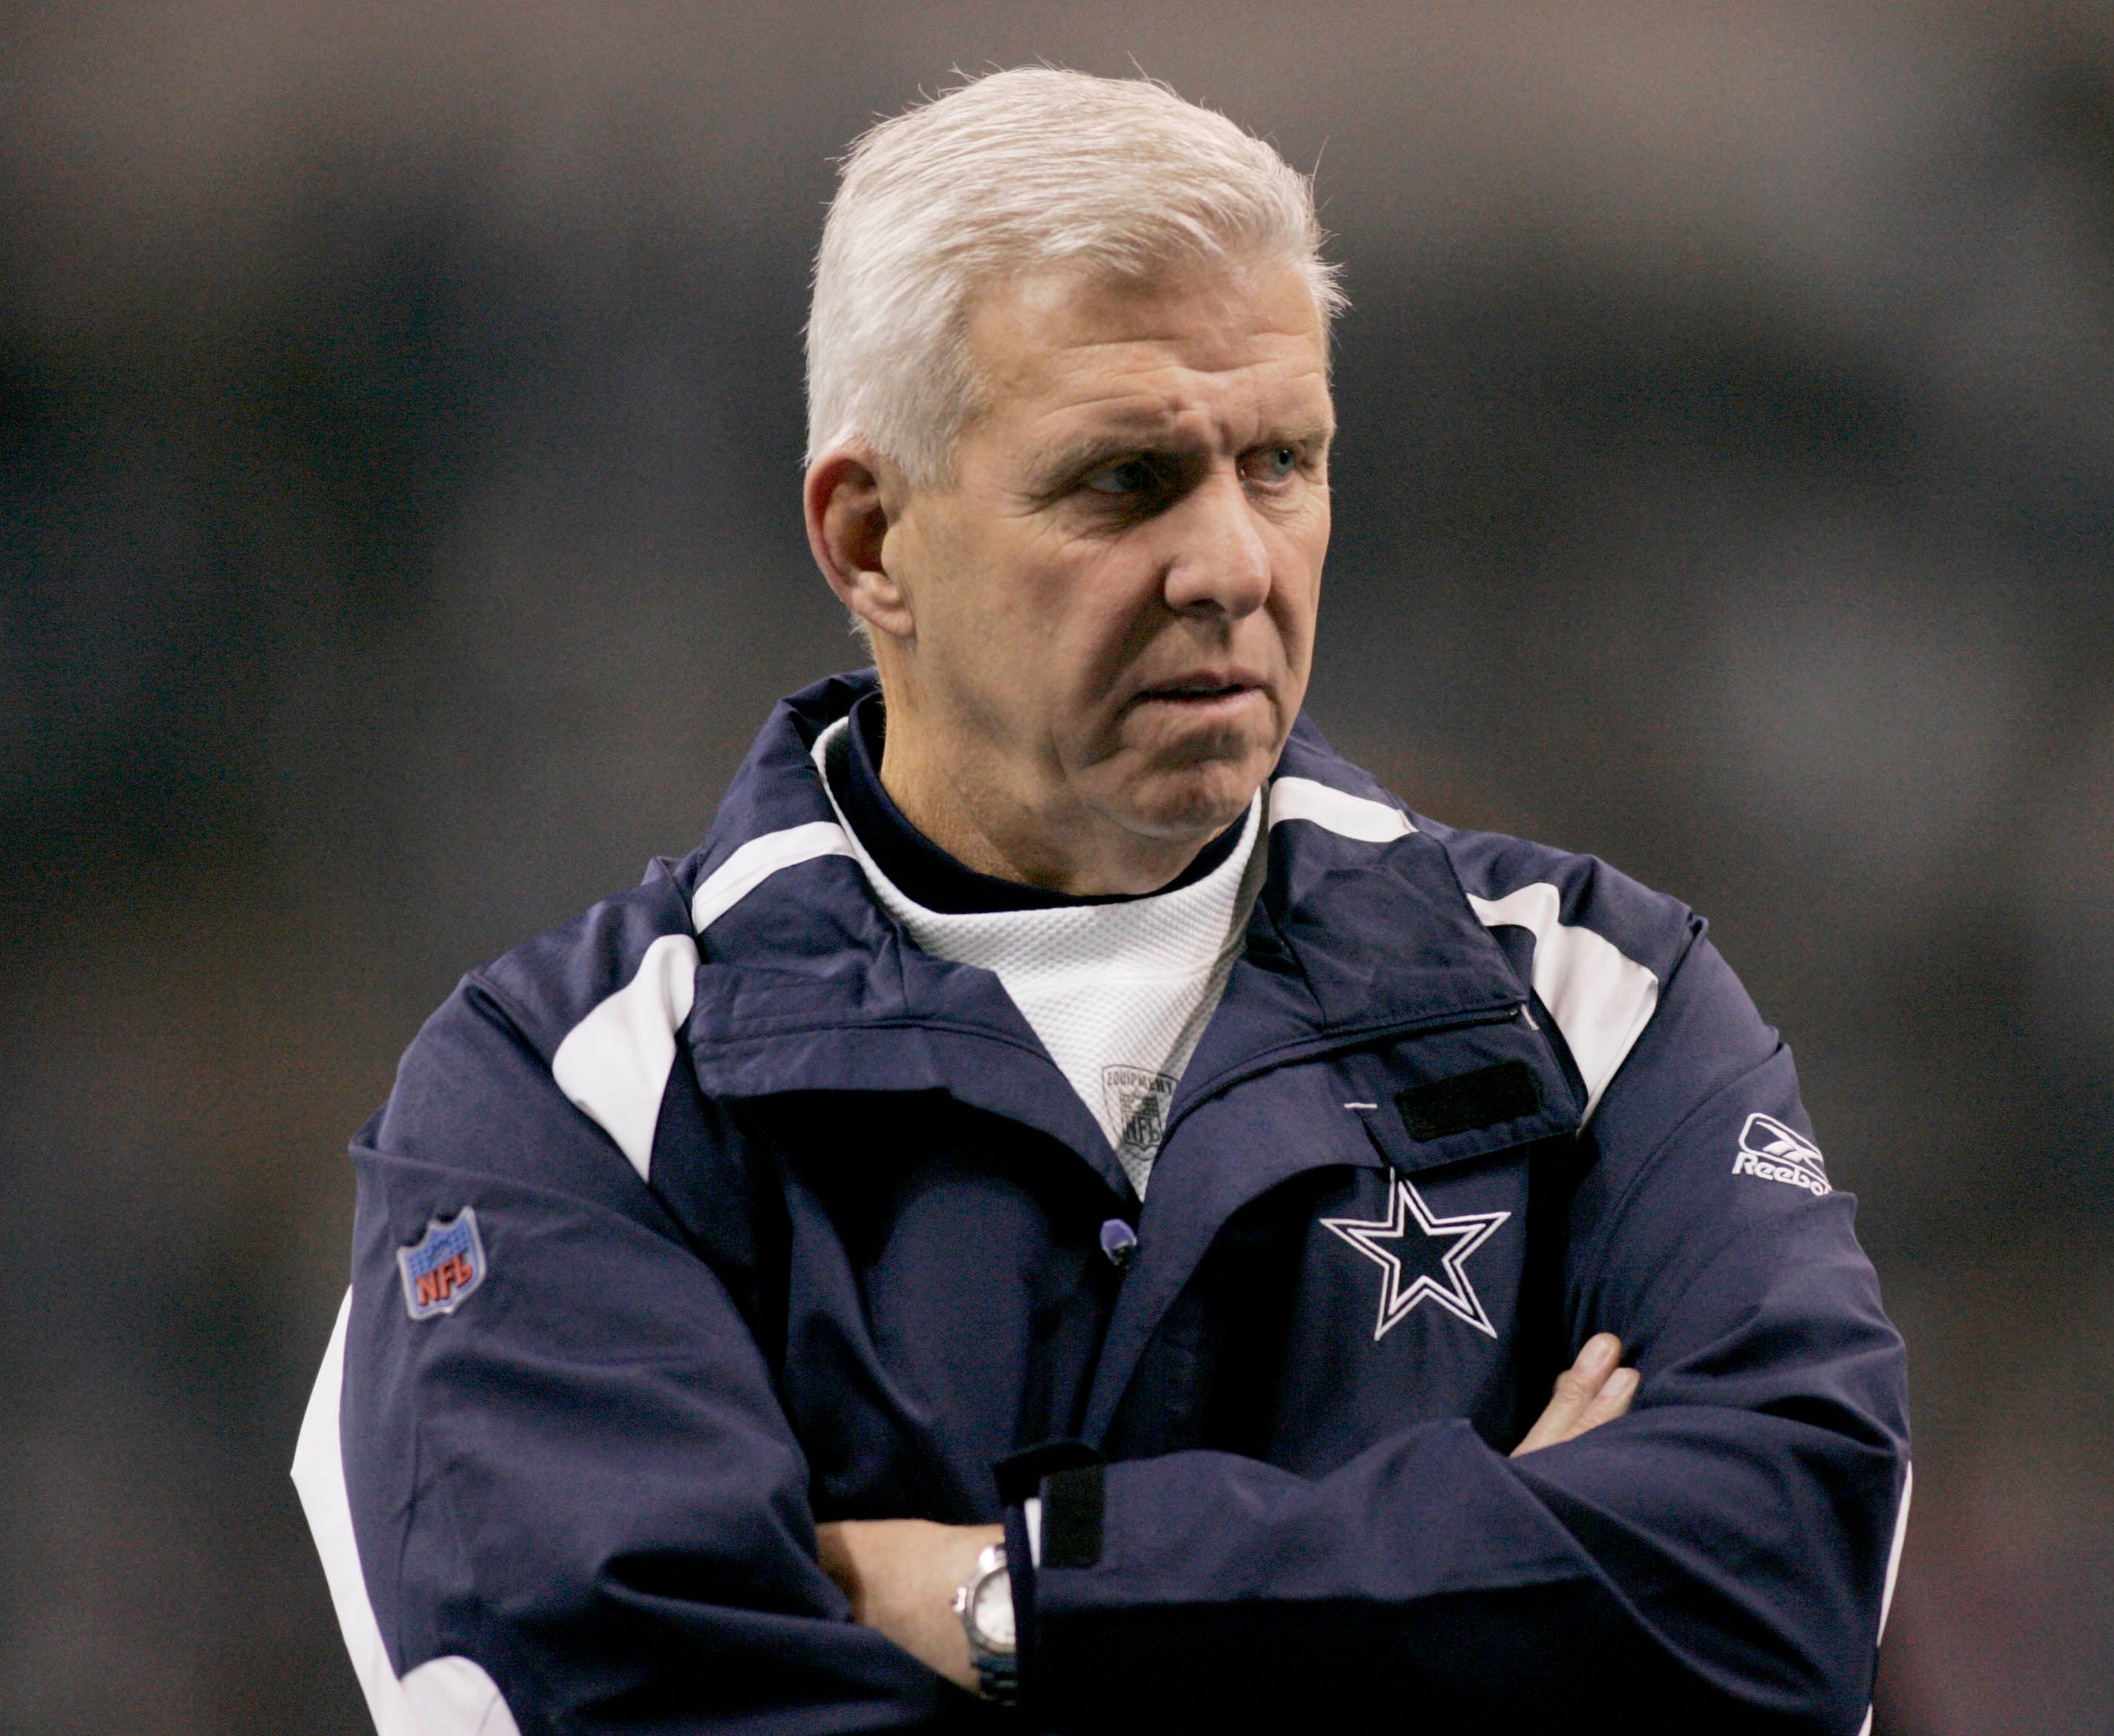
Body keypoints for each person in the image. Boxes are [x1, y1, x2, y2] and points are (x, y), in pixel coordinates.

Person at [291, 68, 1910, 1736]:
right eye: (1127, 481)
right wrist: (1493, 1602)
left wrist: (1018, 1600)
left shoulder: (1599, 1004)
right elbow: (610, 1699)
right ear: (868, 539)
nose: (1232, 564)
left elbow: (1781, 1587)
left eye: (1282, 461)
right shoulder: (566, 1107)